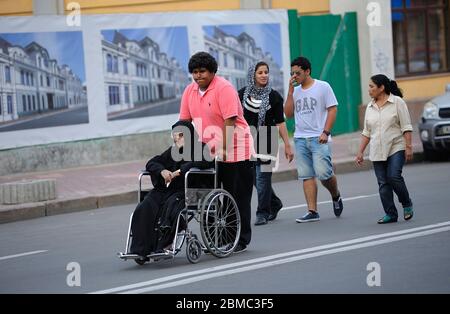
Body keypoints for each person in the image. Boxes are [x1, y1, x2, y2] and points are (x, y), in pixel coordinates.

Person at [179, 51, 254, 253]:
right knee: (207, 196)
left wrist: (222, 148)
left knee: (236, 197)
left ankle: (240, 239)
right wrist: (183, 143)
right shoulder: (190, 91)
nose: (198, 76)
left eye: (202, 71)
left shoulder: (224, 88)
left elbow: (230, 120)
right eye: (194, 72)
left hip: (237, 150)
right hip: (208, 151)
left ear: (212, 72)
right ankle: (217, 238)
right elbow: (184, 121)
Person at [129, 120, 213, 259]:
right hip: (170, 189)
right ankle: (140, 249)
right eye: (175, 135)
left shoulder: (201, 148)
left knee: (172, 206)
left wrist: (179, 171)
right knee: (145, 205)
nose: (176, 138)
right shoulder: (172, 151)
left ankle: (162, 245)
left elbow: (203, 161)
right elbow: (152, 163)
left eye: (180, 135)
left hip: (191, 190)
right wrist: (162, 171)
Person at [284, 56, 343, 223]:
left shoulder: (323, 87)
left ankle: (335, 195)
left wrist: (326, 132)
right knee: (306, 175)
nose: (294, 77)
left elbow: (332, 109)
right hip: (300, 138)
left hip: (319, 138)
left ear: (307, 71)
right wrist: (289, 91)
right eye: (292, 74)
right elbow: (288, 114)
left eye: (298, 73)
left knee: (324, 174)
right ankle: (312, 211)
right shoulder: (294, 91)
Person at [238, 61, 294, 226]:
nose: (264, 75)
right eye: (260, 72)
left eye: (266, 72)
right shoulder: (241, 95)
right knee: (254, 178)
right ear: (252, 75)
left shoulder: (274, 96)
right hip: (247, 139)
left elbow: (280, 122)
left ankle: (262, 212)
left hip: (267, 137)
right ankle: (275, 203)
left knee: (263, 177)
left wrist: (287, 145)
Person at [355, 74, 414, 224]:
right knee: (383, 184)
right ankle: (390, 214)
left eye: (371, 86)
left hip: (396, 146)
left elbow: (406, 126)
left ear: (381, 88)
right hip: (377, 150)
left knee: (394, 176)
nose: (369, 90)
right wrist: (360, 151)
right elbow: (367, 132)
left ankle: (406, 203)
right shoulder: (370, 106)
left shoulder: (397, 102)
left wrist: (408, 147)